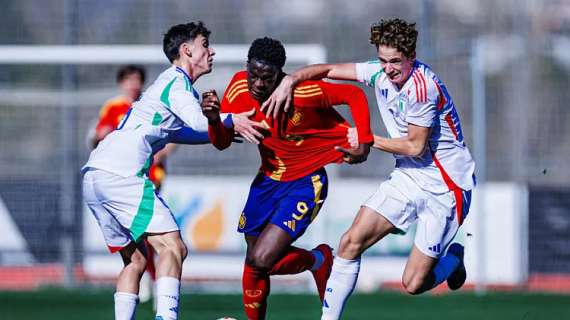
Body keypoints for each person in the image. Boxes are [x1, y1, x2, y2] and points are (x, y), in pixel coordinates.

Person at [263, 18, 476, 319]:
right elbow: (327, 70)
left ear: (411, 57)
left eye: (395, 62)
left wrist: (366, 138)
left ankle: (453, 259)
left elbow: (416, 146)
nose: (388, 69)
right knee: (350, 242)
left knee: (414, 283)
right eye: (383, 60)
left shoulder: (421, 88)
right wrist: (291, 79)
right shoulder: (379, 72)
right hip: (410, 176)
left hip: (447, 185)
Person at [82, 21, 263, 320]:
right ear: (187, 50)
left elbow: (183, 132)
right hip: (122, 174)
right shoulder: (177, 83)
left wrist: (226, 128)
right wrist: (231, 119)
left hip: (95, 176)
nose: (211, 51)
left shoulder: (168, 86)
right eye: (205, 44)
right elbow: (196, 121)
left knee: (135, 261)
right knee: (173, 247)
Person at [201, 37, 375, 320]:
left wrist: (364, 141)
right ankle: (317, 262)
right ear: (246, 67)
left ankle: (318, 259)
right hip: (267, 181)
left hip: (306, 182)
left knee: (261, 260)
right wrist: (213, 120)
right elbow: (221, 143)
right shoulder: (237, 86)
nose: (258, 83)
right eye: (253, 74)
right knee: (254, 262)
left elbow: (354, 96)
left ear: (280, 74)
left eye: (267, 78)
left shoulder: (303, 93)